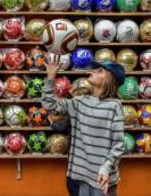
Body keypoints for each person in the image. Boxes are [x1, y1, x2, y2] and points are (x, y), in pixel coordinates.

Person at [42, 55, 125, 196]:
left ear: (109, 79)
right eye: (94, 69)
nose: (92, 71)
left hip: (102, 178)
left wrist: (106, 169)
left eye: (99, 71)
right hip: (79, 177)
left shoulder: (114, 106)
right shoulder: (79, 102)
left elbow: (118, 145)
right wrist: (51, 76)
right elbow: (50, 105)